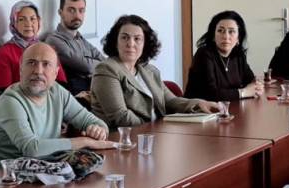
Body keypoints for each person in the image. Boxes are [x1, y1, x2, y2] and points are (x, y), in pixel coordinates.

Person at [0, 42, 114, 171]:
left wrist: (99, 130)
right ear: (21, 69)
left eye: (46, 64)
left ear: (55, 73)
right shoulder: (10, 102)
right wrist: (85, 141)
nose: (38, 71)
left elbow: (94, 122)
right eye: (31, 63)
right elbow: (32, 149)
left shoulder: (57, 91)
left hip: (43, 171)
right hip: (6, 179)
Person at [90, 15, 219, 127]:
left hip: (154, 134)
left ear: (145, 43)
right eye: (124, 37)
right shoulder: (106, 69)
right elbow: (120, 117)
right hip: (122, 139)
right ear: (115, 41)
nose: (130, 43)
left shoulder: (149, 70)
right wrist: (157, 126)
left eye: (137, 39)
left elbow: (170, 101)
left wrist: (199, 104)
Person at [185, 10, 264, 102]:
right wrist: (243, 92)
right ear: (213, 36)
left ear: (238, 38)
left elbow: (250, 81)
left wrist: (257, 86)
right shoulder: (204, 54)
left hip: (229, 107)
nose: (226, 36)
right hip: (199, 109)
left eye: (231, 31)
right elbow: (211, 95)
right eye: (220, 31)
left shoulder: (238, 55)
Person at [0, 1, 68, 90]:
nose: (28, 24)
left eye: (32, 19)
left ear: (38, 22)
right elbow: (3, 91)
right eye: (21, 19)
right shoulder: (4, 53)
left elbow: (62, 83)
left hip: (50, 96)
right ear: (14, 23)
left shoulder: (48, 50)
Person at [42, 0, 104, 94]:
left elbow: (102, 59)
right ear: (60, 13)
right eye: (71, 10)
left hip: (93, 89)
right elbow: (87, 67)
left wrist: (93, 63)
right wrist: (95, 64)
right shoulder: (54, 40)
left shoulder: (80, 38)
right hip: (76, 96)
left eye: (81, 10)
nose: (77, 16)